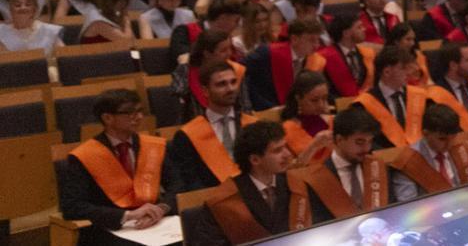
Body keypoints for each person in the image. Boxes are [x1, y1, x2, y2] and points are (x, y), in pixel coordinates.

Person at [60, 89, 178, 246]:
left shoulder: (151, 146)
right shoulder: (85, 155)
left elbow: (178, 184)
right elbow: (72, 207)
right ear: (107, 118)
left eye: (140, 111)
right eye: (130, 113)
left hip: (154, 221)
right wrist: (127, 215)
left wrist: (161, 208)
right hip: (110, 227)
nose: (139, 117)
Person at [190, 120, 307, 245]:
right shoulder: (223, 202)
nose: (288, 154)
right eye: (277, 150)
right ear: (255, 159)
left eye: (286, 147)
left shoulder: (295, 185)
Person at [293, 108, 401, 224]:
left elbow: (392, 208)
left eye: (370, 141)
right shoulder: (317, 178)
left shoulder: (378, 167)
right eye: (360, 142)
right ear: (339, 140)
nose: (367, 148)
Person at [169, 62, 259, 191]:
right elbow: (191, 182)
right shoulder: (186, 135)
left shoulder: (254, 125)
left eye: (233, 82)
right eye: (221, 84)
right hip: (213, 200)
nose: (230, 89)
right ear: (205, 91)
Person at [389, 103, 468, 201]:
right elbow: (408, 202)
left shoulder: (461, 148)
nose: (449, 144)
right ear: (426, 134)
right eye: (442, 139)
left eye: (453, 137)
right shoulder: (408, 161)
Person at [353, 45, 428, 148]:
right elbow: (366, 141)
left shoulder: (418, 96)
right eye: (403, 68)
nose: (409, 73)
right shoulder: (363, 105)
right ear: (387, 72)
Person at [243, 18, 325, 110]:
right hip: (267, 111)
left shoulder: (314, 60)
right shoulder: (267, 53)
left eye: (318, 40)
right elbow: (238, 70)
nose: (317, 45)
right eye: (311, 40)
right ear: (294, 39)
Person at [279, 71, 335, 166]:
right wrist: (314, 146)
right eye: (314, 100)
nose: (321, 105)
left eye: (325, 98)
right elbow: (288, 169)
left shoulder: (334, 121)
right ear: (298, 98)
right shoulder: (286, 129)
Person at [315, 15, 375, 98]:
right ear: (346, 33)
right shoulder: (322, 57)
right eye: (359, 27)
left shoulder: (368, 53)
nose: (364, 29)